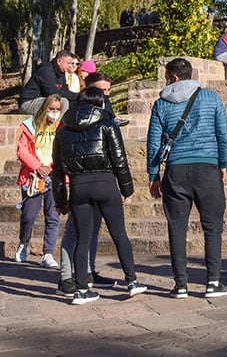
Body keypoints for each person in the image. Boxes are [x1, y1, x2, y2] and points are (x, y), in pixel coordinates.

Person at [146, 57, 227, 299]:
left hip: (176, 170)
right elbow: (223, 135)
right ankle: (213, 282)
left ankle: (180, 284)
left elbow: (154, 143)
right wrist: (222, 162)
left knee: (176, 227)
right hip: (207, 167)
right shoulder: (211, 98)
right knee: (213, 227)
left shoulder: (161, 104)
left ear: (173, 77)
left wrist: (154, 175)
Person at [52, 86, 146, 304]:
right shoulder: (108, 125)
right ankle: (132, 281)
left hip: (79, 185)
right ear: (99, 103)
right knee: (119, 234)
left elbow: (58, 168)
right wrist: (127, 189)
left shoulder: (64, 131)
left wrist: (60, 199)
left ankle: (82, 289)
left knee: (82, 238)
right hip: (105, 182)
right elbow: (119, 160)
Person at [56, 73, 116, 295]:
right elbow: (60, 155)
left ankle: (88, 271)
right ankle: (65, 276)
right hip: (79, 179)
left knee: (93, 229)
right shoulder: (71, 117)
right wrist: (61, 193)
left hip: (100, 177)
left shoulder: (105, 111)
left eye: (109, 90)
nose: (106, 95)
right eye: (102, 90)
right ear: (88, 90)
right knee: (74, 230)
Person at [14, 93, 64, 267]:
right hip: (32, 177)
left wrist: (54, 168)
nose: (54, 113)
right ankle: (23, 243)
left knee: (53, 216)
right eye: (51, 109)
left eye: (58, 110)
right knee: (29, 215)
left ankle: (48, 253)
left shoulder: (60, 127)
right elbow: (22, 151)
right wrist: (37, 166)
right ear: (44, 109)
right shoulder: (31, 126)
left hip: (53, 176)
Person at [20, 51, 78, 117]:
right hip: (29, 103)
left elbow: (65, 90)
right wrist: (75, 96)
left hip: (46, 100)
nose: (70, 66)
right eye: (68, 63)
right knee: (63, 102)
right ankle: (60, 125)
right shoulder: (46, 71)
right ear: (59, 61)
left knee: (71, 103)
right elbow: (52, 93)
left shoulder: (61, 72)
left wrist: (77, 98)